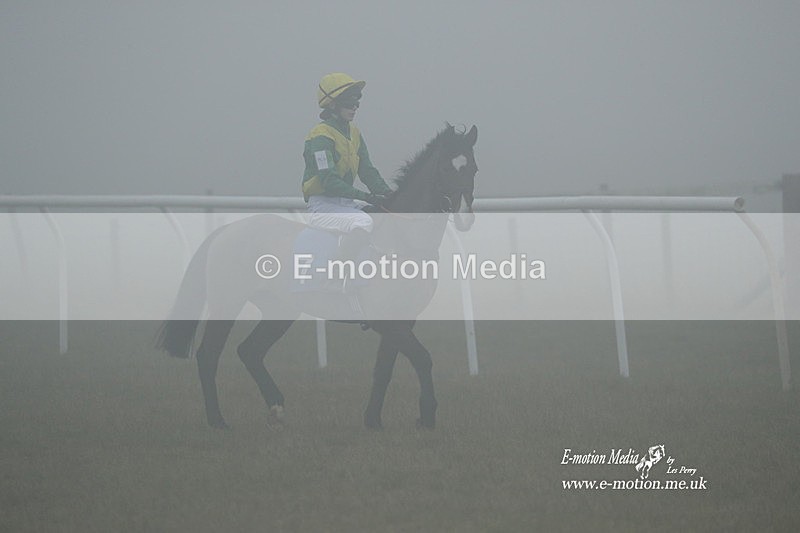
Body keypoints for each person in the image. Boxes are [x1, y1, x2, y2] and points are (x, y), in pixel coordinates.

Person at [301, 72, 392, 259]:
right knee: (362, 222)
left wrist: (390, 195)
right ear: (332, 105)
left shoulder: (354, 133)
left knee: (383, 216)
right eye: (349, 103)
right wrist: (367, 197)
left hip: (345, 205)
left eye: (357, 102)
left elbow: (367, 171)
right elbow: (329, 182)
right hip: (322, 207)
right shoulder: (320, 135)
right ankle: (340, 270)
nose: (354, 107)